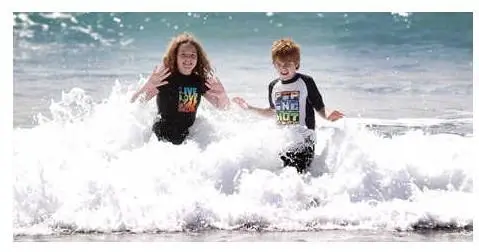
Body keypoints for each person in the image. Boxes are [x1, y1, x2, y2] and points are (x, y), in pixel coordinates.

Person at [232, 38, 344, 173]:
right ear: (274, 64)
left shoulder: (306, 82)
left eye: (287, 64)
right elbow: (273, 112)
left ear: (296, 64)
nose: (283, 68)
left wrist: (328, 115)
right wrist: (249, 108)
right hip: (283, 142)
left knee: (295, 176)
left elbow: (320, 107)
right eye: (278, 64)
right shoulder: (273, 86)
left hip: (304, 141)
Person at [131, 32, 230, 145]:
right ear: (175, 57)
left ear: (198, 59)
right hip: (161, 141)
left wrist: (222, 94)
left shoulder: (199, 81)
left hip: (187, 142)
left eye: (193, 55)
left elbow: (223, 107)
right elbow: (134, 103)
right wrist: (149, 85)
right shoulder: (165, 78)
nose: (188, 59)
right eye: (183, 54)